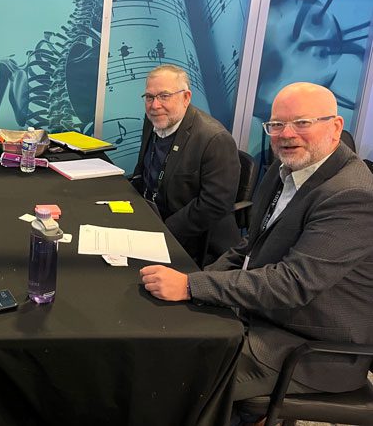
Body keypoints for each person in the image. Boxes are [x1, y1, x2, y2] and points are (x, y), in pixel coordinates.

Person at [140, 82, 373, 409]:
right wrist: (197, 280)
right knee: (159, 335)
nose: (286, 134)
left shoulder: (352, 196)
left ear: (335, 127)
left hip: (308, 349)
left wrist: (192, 286)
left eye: (302, 123)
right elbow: (250, 246)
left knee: (167, 376)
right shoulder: (287, 169)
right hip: (262, 316)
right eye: (276, 125)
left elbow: (291, 284)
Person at [132, 64, 240, 264]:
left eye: (164, 96)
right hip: (149, 217)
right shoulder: (154, 120)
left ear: (186, 97)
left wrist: (163, 230)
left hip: (189, 238)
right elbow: (144, 170)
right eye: (149, 97)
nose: (155, 105)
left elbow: (215, 204)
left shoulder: (214, 139)